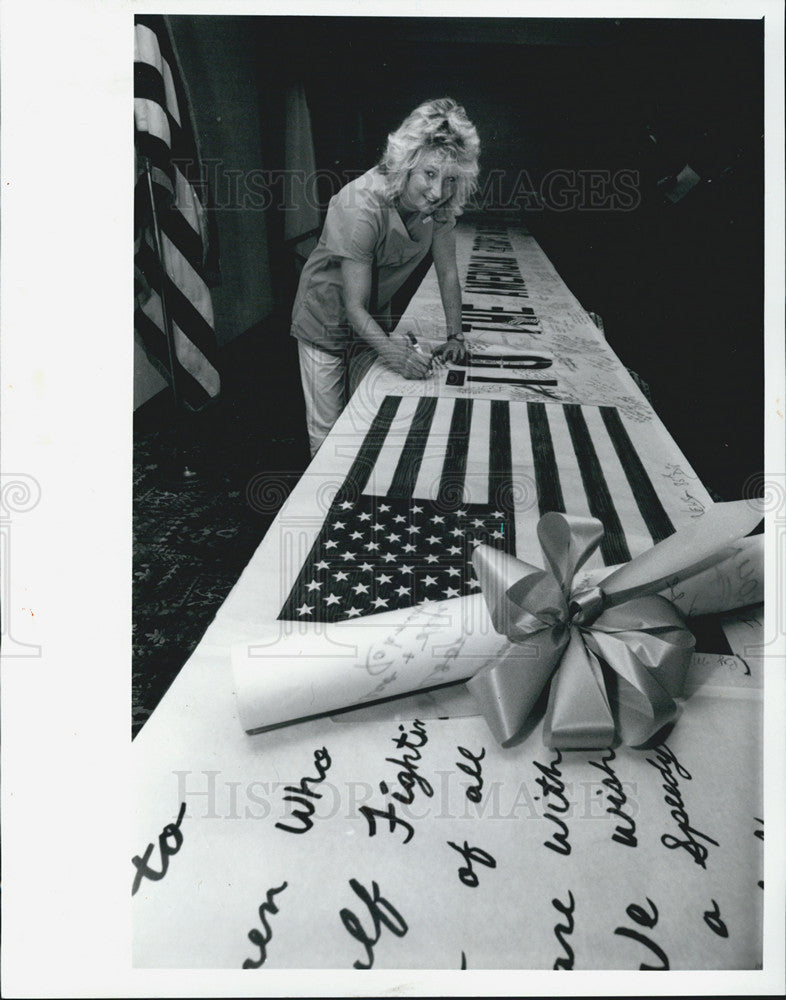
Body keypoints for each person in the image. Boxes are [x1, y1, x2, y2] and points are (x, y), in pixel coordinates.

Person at [290, 97, 481, 456]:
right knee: (329, 437)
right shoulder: (362, 203)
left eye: (451, 179)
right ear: (407, 164)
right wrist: (395, 354)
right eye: (429, 173)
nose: (438, 191)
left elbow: (449, 271)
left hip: (373, 316)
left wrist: (456, 335)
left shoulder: (440, 205)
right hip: (326, 316)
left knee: (371, 417)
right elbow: (352, 306)